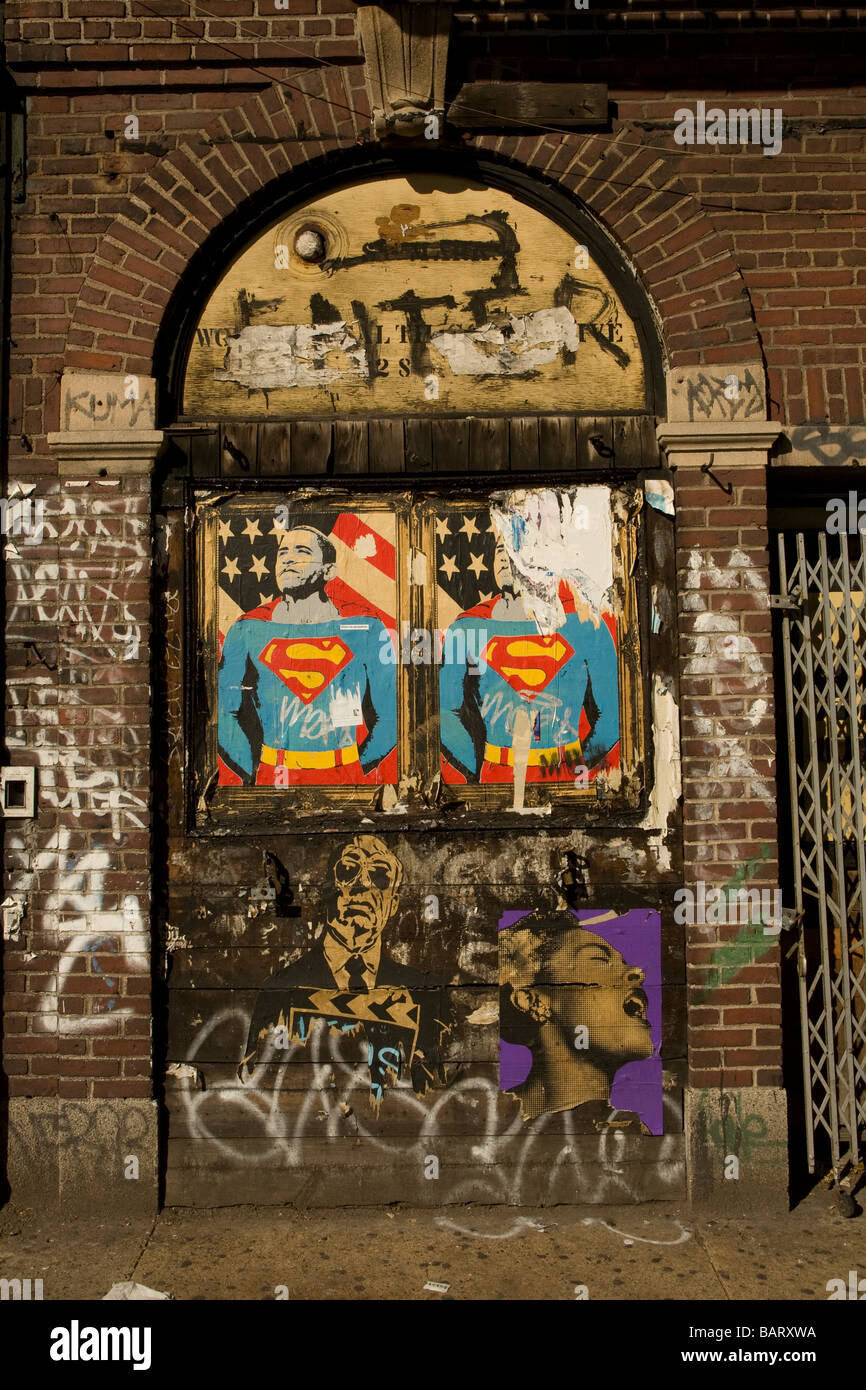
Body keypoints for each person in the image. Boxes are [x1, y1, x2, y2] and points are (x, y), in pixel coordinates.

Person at [239, 835, 450, 1100]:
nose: (362, 885)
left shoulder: (422, 993)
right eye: (349, 871)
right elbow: (256, 1086)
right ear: (328, 889)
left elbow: (434, 1088)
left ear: (393, 904)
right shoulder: (281, 989)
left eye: (379, 876)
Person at [218, 524, 396, 785]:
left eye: (302, 551)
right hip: (272, 778)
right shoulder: (247, 628)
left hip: (346, 779)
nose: (288, 559)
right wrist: (253, 776)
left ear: (329, 570)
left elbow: (389, 716)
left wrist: (356, 766)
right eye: (282, 553)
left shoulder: (364, 625)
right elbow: (225, 713)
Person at [439, 533, 619, 785]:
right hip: (496, 777)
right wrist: (475, 773)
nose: (503, 556)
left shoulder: (585, 623)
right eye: (500, 549)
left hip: (565, 779)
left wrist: (576, 767)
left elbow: (612, 715)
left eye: (515, 547)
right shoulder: (467, 627)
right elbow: (446, 711)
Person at [499, 909, 654, 1129]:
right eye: (600, 960)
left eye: (623, 962)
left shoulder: (628, 1135)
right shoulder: (482, 1123)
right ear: (532, 1000)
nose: (638, 972)